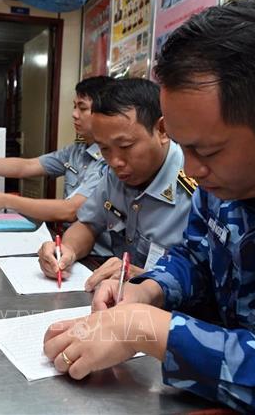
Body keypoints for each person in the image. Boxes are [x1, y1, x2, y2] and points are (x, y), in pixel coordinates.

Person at [42, 0, 255, 412]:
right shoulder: (225, 177)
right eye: (184, 148)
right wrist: (149, 291)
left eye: (207, 151)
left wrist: (153, 331)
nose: (191, 171)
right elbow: (197, 257)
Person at [38, 78, 195, 291]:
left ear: (162, 130)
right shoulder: (114, 175)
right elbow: (88, 224)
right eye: (104, 148)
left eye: (125, 146)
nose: (114, 161)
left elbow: (208, 278)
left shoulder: (197, 184)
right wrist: (67, 251)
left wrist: (150, 279)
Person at [0, 76, 114, 255]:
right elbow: (26, 166)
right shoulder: (75, 151)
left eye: (82, 108)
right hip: (67, 247)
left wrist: (6, 201)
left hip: (97, 257)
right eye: (74, 106)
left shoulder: (109, 159)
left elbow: (71, 210)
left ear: (103, 112)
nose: (74, 114)